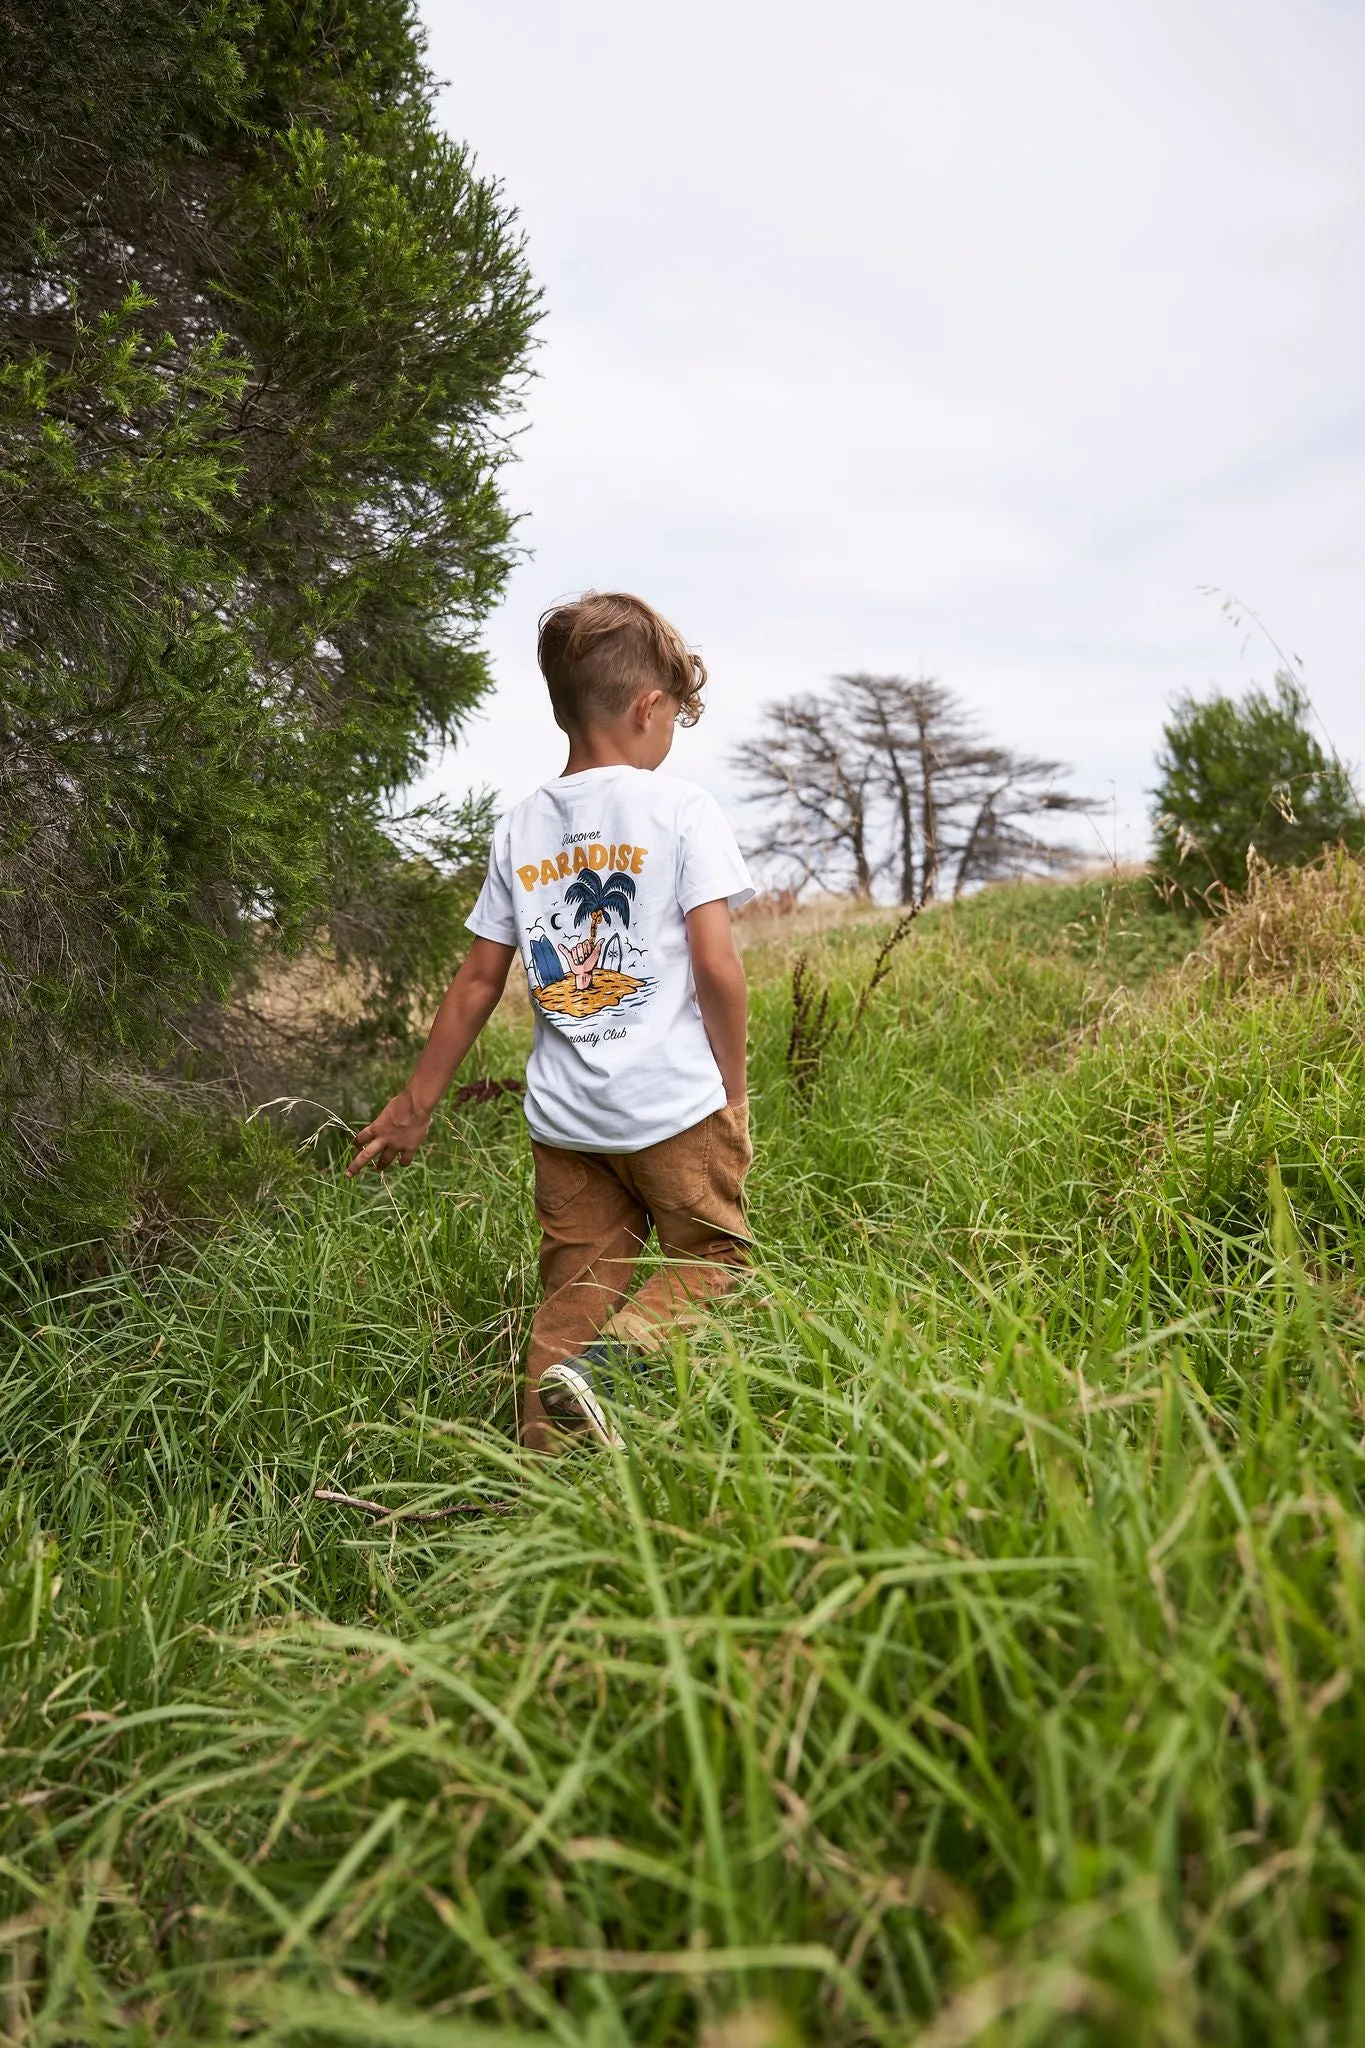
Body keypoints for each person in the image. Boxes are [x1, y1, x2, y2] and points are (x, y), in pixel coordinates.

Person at [347, 591, 755, 1452]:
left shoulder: (521, 826)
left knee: (573, 1296)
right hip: (673, 1108)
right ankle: (616, 1372)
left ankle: (540, 1476)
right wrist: (734, 1083)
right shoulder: (681, 810)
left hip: (566, 1123)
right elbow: (717, 964)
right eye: (677, 714)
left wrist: (415, 1105)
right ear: (650, 708)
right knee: (712, 1260)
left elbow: (475, 984)